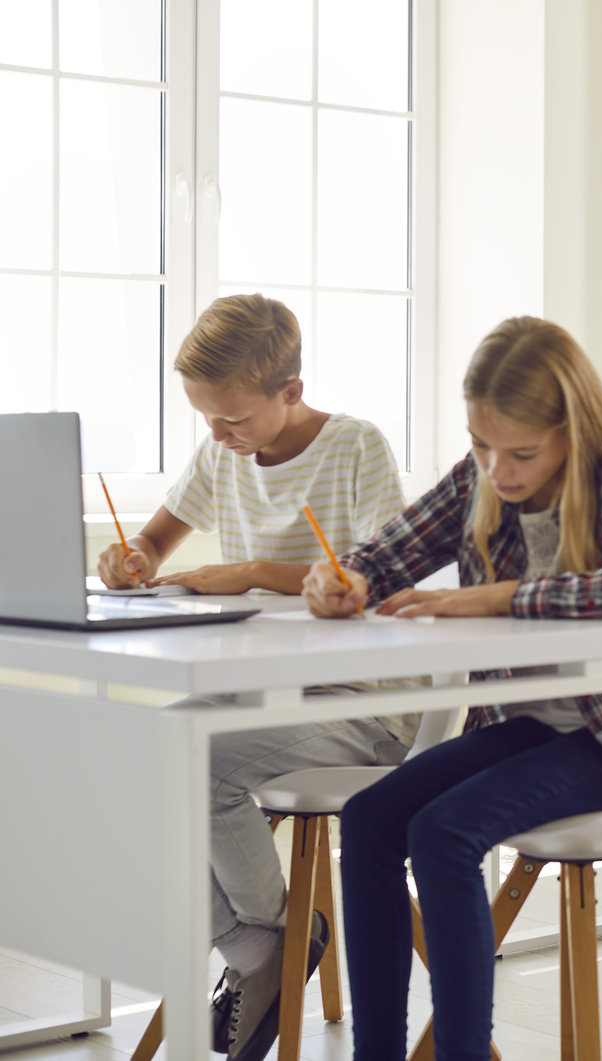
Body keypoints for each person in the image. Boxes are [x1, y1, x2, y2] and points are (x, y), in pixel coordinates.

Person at [305, 316, 602, 1059]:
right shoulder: (486, 477)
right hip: (533, 726)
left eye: (521, 452)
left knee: (443, 833)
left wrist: (499, 595)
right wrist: (346, 577)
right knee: (373, 816)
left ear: (570, 428)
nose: (498, 470)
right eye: (481, 446)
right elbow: (392, 547)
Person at [98, 294, 409, 1061]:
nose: (219, 435)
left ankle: (260, 944)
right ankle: (260, 938)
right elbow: (152, 544)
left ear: (290, 392)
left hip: (371, 705)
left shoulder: (356, 447)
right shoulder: (220, 454)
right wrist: (130, 558)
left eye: (233, 419)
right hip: (262, 693)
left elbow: (385, 569)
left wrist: (243, 572)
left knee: (200, 756)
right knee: (134, 747)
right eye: (206, 419)